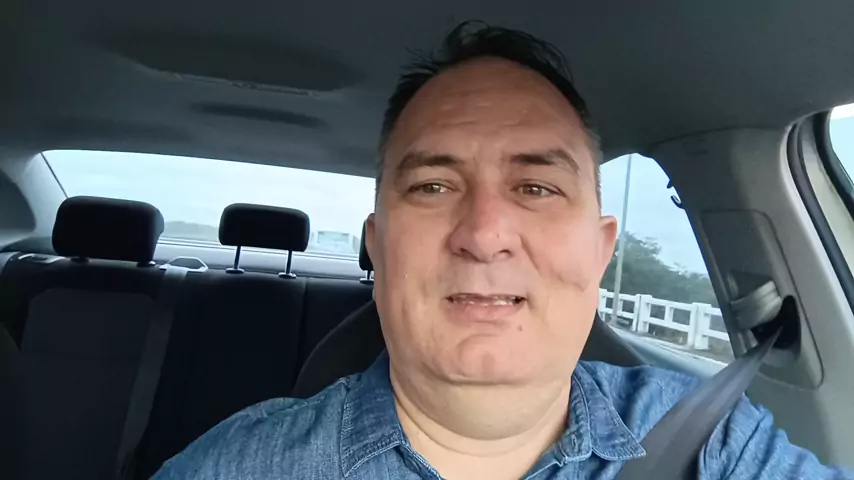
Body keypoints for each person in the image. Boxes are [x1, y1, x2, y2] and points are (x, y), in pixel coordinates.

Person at [153, 22, 853, 479]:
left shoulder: (714, 445)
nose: (485, 234)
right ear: (379, 248)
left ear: (600, 251)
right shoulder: (241, 466)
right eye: (433, 186)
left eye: (536, 188)